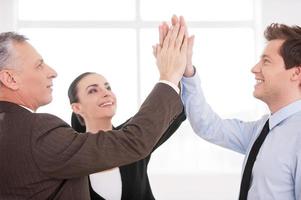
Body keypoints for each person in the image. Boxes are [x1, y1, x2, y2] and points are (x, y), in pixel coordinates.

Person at [0, 20, 188, 200]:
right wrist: (169, 75)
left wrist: (184, 74)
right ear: (10, 79)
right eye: (39, 65)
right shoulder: (37, 131)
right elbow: (135, 139)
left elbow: (172, 116)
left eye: (107, 86)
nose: (52, 72)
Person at [156, 16, 301, 199]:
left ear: (296, 73)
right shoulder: (262, 129)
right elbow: (209, 126)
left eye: (266, 61)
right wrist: (187, 70)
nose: (254, 69)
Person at [67, 72, 186, 200]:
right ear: (77, 108)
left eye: (108, 88)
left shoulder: (135, 136)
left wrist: (176, 70)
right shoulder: (71, 157)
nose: (106, 93)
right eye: (93, 90)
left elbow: (174, 109)